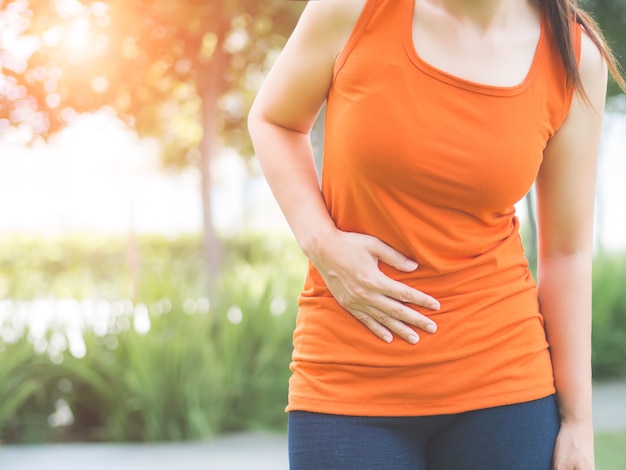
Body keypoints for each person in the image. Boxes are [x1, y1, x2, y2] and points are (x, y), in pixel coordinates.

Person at [248, 0, 625, 468]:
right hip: (349, 381)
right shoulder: (353, 10)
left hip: (505, 385)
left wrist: (578, 423)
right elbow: (273, 120)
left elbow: (567, 252)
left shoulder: (574, 56)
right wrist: (322, 243)